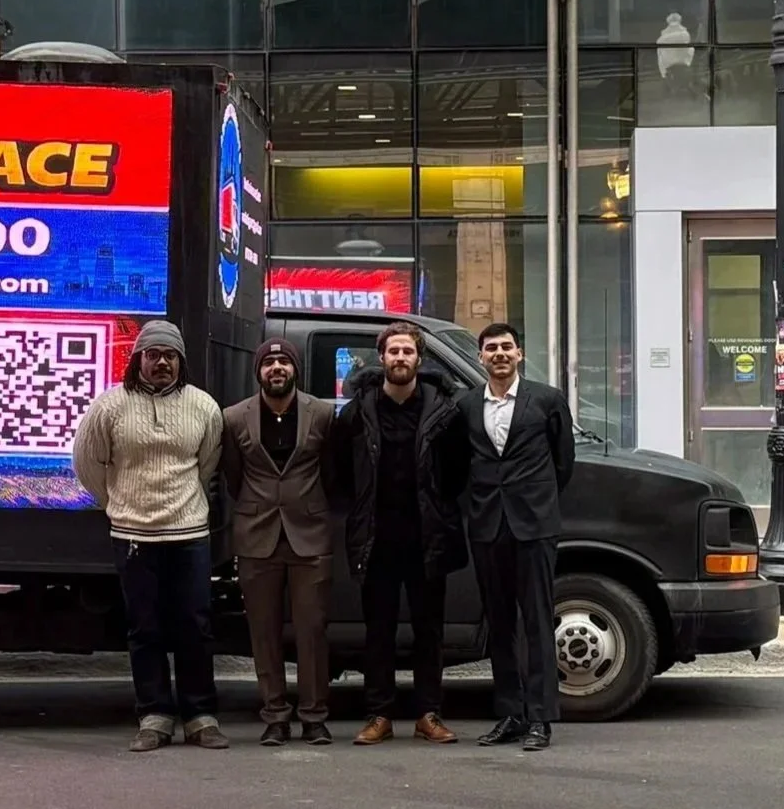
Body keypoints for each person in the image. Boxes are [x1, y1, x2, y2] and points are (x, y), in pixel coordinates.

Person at [71, 319, 229, 753]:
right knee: (145, 628)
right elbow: (87, 462)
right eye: (153, 355)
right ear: (138, 359)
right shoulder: (109, 406)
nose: (162, 363)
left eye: (170, 356)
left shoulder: (204, 407)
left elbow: (207, 465)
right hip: (133, 535)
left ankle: (200, 716)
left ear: (181, 361)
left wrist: (184, 503)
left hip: (190, 534)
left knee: (195, 626)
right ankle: (154, 716)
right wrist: (118, 502)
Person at [332, 321, 465, 746]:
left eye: (408, 351)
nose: (401, 358)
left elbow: (458, 472)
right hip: (377, 540)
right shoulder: (357, 412)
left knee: (429, 631)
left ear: (419, 359)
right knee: (378, 631)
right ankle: (379, 715)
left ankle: (429, 714)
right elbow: (338, 472)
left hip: (428, 538)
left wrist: (439, 509)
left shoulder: (444, 412)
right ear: (382, 358)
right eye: (394, 351)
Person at [454, 321, 574, 751]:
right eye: (491, 348)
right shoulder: (467, 405)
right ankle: (511, 713)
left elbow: (563, 463)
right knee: (500, 623)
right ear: (480, 357)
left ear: (520, 354)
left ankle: (541, 717)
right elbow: (459, 464)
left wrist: (536, 500)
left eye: (507, 347)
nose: (500, 354)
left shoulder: (547, 400)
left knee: (538, 621)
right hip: (488, 526)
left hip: (534, 525)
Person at [220, 337, 337, 746]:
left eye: (284, 362)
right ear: (259, 372)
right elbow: (233, 477)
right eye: (269, 364)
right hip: (257, 536)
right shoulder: (234, 418)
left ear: (295, 369)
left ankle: (314, 716)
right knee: (263, 632)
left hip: (310, 535)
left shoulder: (322, 414)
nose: (277, 369)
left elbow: (332, 472)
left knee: (312, 631)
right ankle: (275, 716)